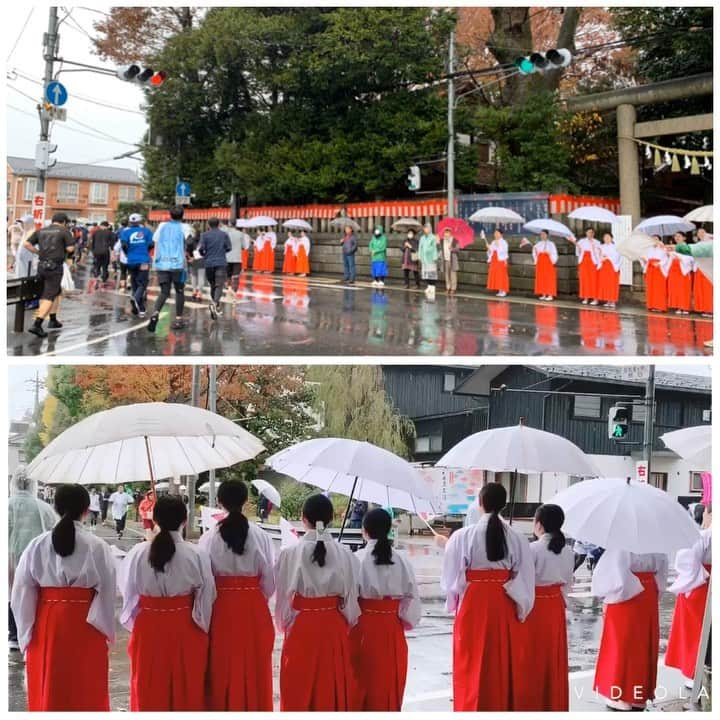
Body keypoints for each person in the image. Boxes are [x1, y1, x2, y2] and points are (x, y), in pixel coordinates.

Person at [11, 485, 116, 711]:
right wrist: (105, 629)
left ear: (55, 507)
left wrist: (26, 632)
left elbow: (21, 592)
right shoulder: (98, 547)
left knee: (50, 686)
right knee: (85, 687)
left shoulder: (37, 545)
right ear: (87, 510)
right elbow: (108, 591)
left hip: (47, 624)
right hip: (88, 623)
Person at [440, 483, 534, 711]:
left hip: (472, 603)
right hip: (505, 601)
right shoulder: (517, 537)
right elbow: (525, 577)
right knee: (501, 660)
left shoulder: (461, 536)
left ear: (480, 503)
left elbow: (450, 580)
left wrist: (455, 601)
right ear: (504, 505)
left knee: (470, 661)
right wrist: (521, 607)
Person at [119, 495, 215, 710]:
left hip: (148, 628)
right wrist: (202, 626)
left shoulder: (137, 553)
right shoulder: (196, 554)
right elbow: (207, 595)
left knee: (148, 684)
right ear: (184, 520)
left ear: (154, 519)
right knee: (187, 685)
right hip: (186, 626)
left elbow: (127, 591)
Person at [275, 493, 360, 711]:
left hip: (302, 626)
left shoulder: (290, 553)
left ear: (303, 518)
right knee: (331, 686)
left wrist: (286, 624)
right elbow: (351, 598)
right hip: (334, 626)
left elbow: (283, 597)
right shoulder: (345, 553)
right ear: (331, 518)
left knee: (298, 686)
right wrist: (346, 622)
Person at [199, 481, 275, 711]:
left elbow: (205, 580)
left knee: (222, 663)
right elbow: (269, 580)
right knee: (254, 663)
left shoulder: (209, 537)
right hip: (253, 606)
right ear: (246, 502)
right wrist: (253, 595)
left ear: (219, 502)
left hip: (221, 606)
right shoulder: (260, 535)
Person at [351, 508, 421, 710]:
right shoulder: (402, 560)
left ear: (364, 530)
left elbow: (348, 598)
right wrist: (401, 619)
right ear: (389, 529)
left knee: (360, 682)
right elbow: (412, 599)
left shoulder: (357, 559)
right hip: (391, 628)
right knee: (388, 681)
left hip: (362, 627)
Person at [591, 545, 668, 710]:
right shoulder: (657, 542)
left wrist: (606, 598)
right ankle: (638, 695)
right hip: (648, 592)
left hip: (626, 596)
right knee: (643, 644)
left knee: (621, 645)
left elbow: (612, 573)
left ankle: (620, 696)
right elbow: (662, 574)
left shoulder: (623, 542)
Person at [516, 504, 574, 711]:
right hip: (555, 605)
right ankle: (552, 700)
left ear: (539, 525)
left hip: (535, 605)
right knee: (552, 655)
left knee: (530, 656)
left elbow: (521, 581)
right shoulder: (568, 551)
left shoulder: (532, 549)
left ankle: (531, 701)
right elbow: (568, 581)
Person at [8, 466, 57, 651]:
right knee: (33, 593)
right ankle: (31, 629)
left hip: (9, 558)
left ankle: (13, 633)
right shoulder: (44, 507)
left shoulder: (6, 505)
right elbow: (54, 532)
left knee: (11, 593)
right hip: (38, 558)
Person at [665, 503, 711, 686]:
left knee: (696, 632)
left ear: (708, 513)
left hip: (702, 584)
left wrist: (685, 587)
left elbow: (686, 563)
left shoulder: (703, 535)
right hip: (705, 580)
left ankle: (694, 672)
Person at [23, 212, 75, 338]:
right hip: (55, 267)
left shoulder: (41, 231)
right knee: (49, 295)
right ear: (64, 222)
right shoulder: (64, 231)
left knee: (56, 292)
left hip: (42, 266)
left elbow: (26, 244)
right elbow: (70, 249)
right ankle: (37, 324)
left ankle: (53, 319)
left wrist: (38, 252)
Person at [148, 206, 192, 333]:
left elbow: (154, 241)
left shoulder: (162, 226)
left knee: (164, 292)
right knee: (179, 291)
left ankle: (156, 313)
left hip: (162, 263)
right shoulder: (185, 227)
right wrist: (188, 253)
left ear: (170, 215)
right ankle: (178, 318)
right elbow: (190, 241)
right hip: (178, 264)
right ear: (182, 215)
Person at [119, 213, 155, 318]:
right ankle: (136, 298)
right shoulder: (146, 231)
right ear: (140, 221)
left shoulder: (125, 232)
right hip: (143, 260)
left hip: (131, 261)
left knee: (134, 283)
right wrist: (145, 250)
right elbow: (152, 244)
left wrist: (128, 254)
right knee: (142, 284)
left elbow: (124, 245)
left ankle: (140, 309)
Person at [199, 217, 232, 320]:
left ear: (208, 225)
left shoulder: (204, 235)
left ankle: (215, 306)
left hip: (209, 263)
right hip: (221, 262)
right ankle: (214, 304)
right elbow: (229, 247)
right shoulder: (224, 234)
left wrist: (205, 255)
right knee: (219, 285)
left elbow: (201, 249)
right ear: (219, 224)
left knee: (213, 284)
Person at [570, 228, 601, 304]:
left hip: (593, 262)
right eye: (588, 232)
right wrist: (579, 249)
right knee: (584, 280)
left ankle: (595, 299)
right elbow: (578, 252)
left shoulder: (597, 242)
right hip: (583, 262)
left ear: (593, 234)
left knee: (594, 280)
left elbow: (599, 253)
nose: (590, 234)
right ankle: (586, 297)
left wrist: (594, 249)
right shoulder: (581, 241)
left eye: (591, 232)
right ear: (586, 233)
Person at [641, 236, 669, 312]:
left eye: (656, 239)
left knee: (660, 288)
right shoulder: (648, 249)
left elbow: (666, 259)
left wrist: (660, 263)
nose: (654, 240)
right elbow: (645, 258)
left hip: (659, 269)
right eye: (652, 239)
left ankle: (660, 306)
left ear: (659, 240)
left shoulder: (663, 248)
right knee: (650, 288)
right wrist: (644, 260)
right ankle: (651, 305)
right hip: (650, 269)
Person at [667, 235, 694, 315]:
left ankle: (685, 307)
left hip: (684, 271)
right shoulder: (674, 248)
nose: (677, 237)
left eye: (679, 236)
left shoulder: (687, 247)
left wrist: (681, 259)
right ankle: (679, 306)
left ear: (684, 238)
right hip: (675, 271)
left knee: (684, 290)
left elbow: (691, 259)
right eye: (675, 236)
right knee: (677, 290)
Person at [595, 232, 621, 309]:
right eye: (605, 237)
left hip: (612, 266)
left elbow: (617, 257)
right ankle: (607, 300)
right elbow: (598, 256)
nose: (606, 239)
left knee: (612, 284)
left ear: (612, 238)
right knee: (605, 283)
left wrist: (607, 257)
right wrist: (600, 254)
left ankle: (612, 300)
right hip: (604, 267)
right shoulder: (601, 246)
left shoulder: (615, 247)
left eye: (608, 237)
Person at [532, 230, 558, 301]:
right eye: (541, 234)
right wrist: (535, 251)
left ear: (547, 235)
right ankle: (543, 293)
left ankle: (550, 294)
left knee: (549, 278)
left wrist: (549, 253)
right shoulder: (538, 244)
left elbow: (554, 254)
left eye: (544, 234)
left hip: (548, 263)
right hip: (541, 263)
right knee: (541, 278)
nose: (542, 236)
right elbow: (535, 252)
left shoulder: (551, 244)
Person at [90, 221, 116, 285]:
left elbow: (92, 243)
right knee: (105, 266)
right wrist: (113, 251)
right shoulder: (110, 233)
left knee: (97, 265)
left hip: (96, 251)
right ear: (107, 226)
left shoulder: (95, 232)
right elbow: (113, 243)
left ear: (101, 225)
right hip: (105, 251)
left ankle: (96, 276)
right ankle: (104, 278)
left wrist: (92, 251)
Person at [418, 223, 439, 300]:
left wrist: (433, 255)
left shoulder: (433, 237)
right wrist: (419, 256)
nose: (426, 229)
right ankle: (429, 286)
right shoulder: (422, 238)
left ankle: (432, 286)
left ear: (430, 229)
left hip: (431, 257)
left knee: (432, 273)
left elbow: (434, 248)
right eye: (425, 228)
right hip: (424, 258)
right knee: (426, 273)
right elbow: (420, 247)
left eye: (427, 228)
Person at [486, 229, 509, 297]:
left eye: (497, 233)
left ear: (501, 234)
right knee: (496, 275)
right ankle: (499, 290)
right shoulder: (493, 242)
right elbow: (491, 252)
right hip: (494, 260)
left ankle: (503, 290)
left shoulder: (504, 242)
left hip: (501, 260)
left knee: (501, 275)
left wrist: (498, 245)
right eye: (495, 233)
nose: (495, 234)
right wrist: (489, 248)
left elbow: (504, 251)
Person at [223, 220, 244, 291]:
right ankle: (234, 291)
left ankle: (228, 288)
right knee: (236, 276)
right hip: (237, 258)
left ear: (229, 224)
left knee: (228, 275)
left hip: (227, 257)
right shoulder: (241, 234)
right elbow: (245, 246)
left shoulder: (226, 234)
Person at [440, 227, 460, 295]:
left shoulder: (454, 240)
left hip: (452, 260)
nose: (446, 234)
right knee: (446, 275)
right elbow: (441, 249)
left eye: (448, 232)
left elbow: (458, 249)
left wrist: (452, 249)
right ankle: (448, 288)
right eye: (445, 232)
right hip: (445, 260)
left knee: (453, 275)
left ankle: (453, 288)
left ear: (450, 233)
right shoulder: (442, 240)